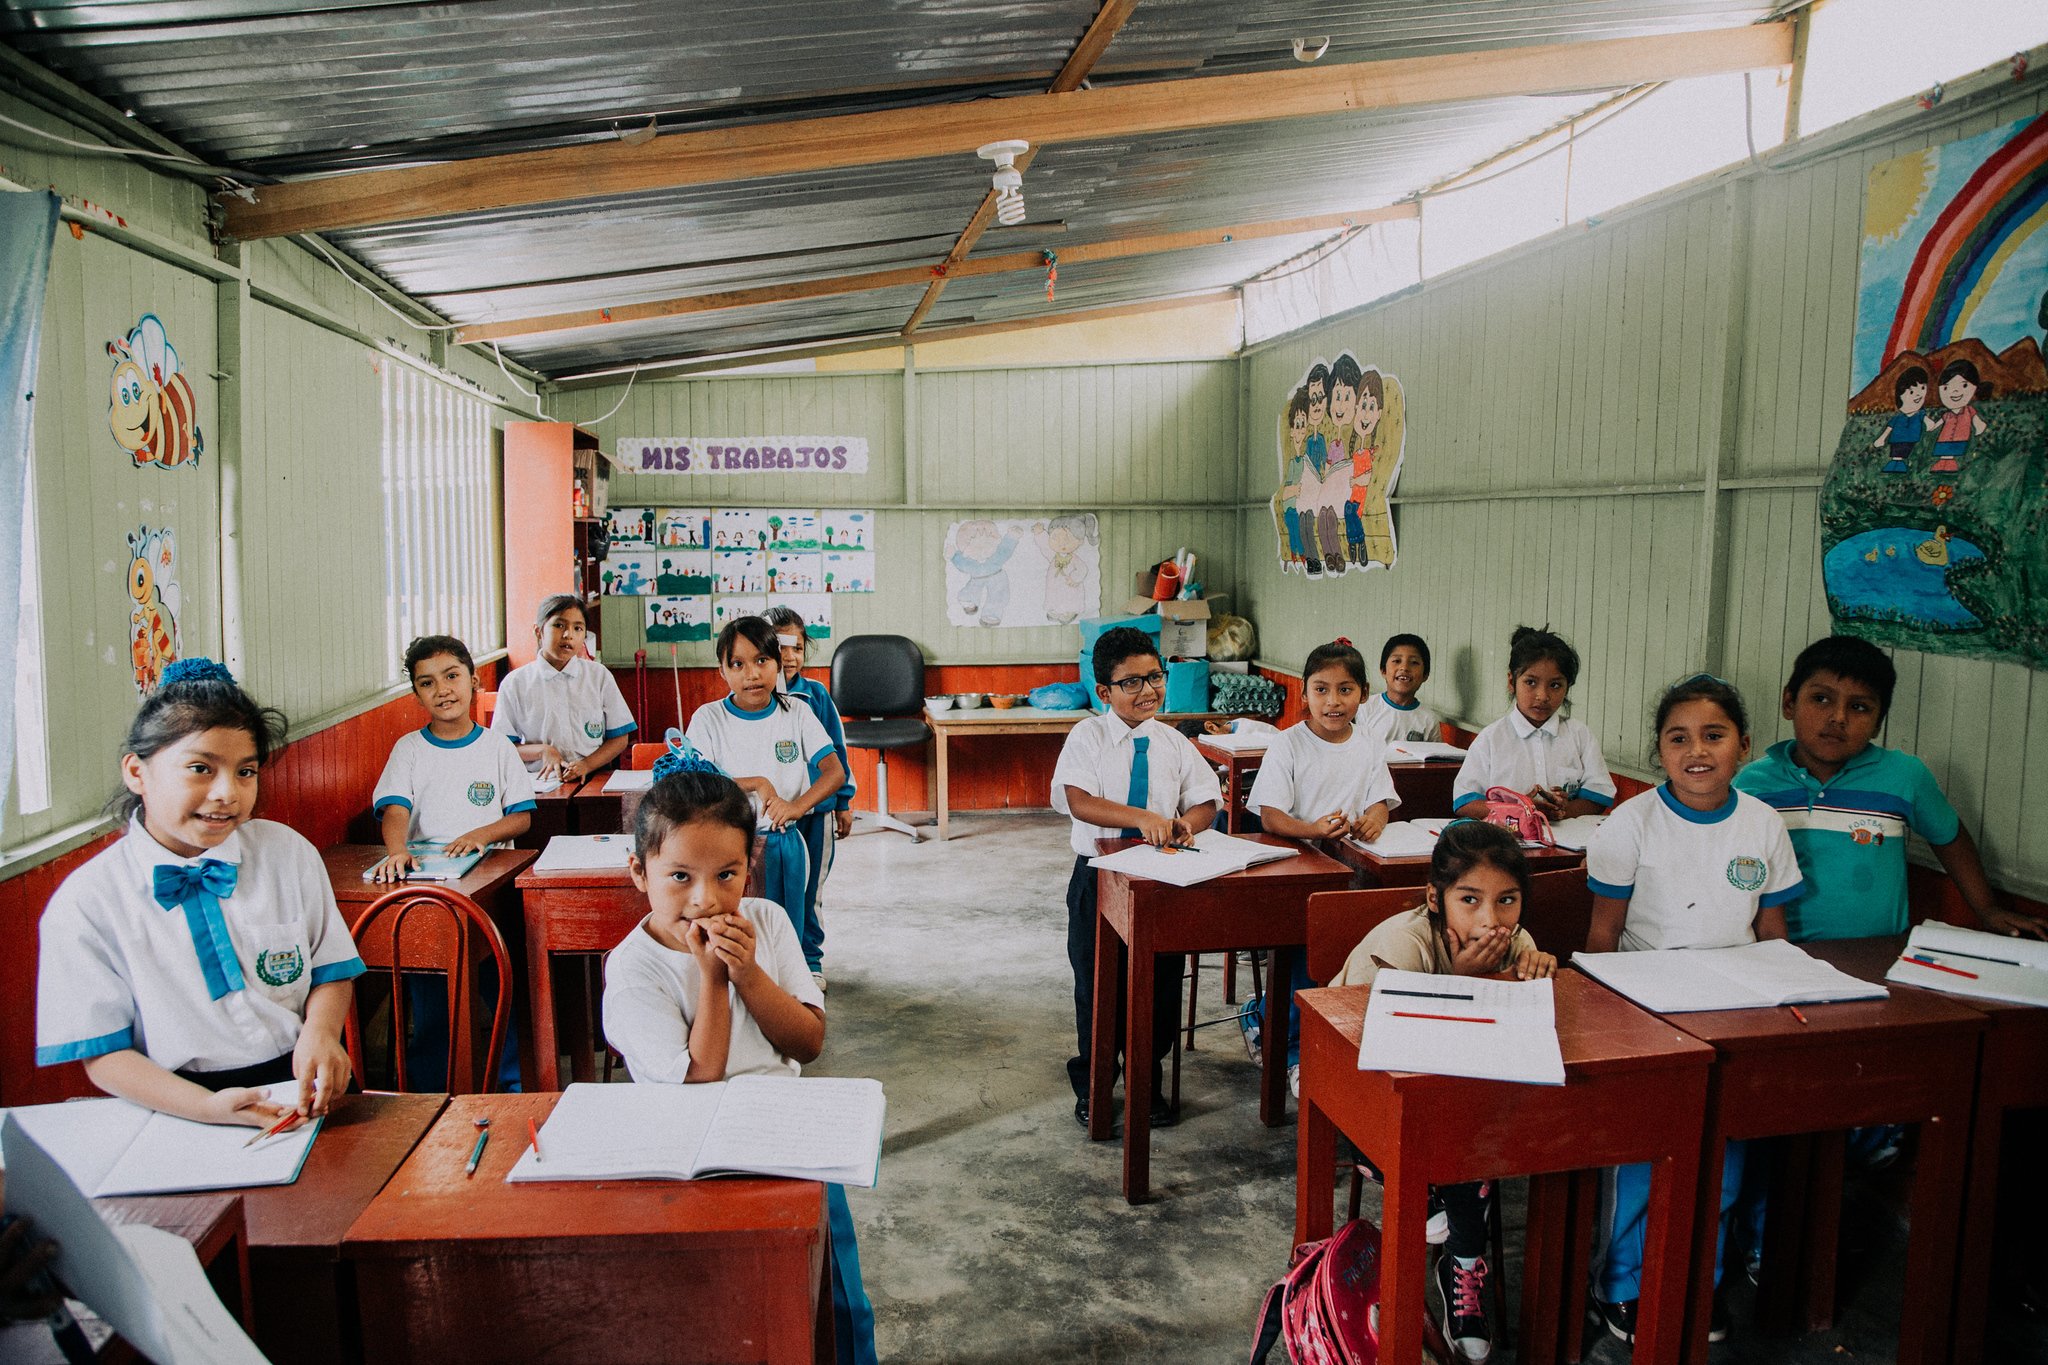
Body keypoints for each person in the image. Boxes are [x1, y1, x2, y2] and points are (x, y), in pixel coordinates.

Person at [600, 760, 876, 1365]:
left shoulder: (770, 923)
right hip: (688, 1155)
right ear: (638, 874)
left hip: (784, 1134)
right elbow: (699, 1079)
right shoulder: (631, 969)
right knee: (723, 1310)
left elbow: (808, 1042)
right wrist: (714, 979)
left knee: (836, 1301)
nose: (705, 899)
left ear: (749, 867)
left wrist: (748, 970)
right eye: (679, 876)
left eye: (726, 874)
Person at [35, 658, 363, 1126]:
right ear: (136, 772)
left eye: (246, 772)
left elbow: (331, 969)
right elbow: (104, 1056)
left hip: (300, 1089)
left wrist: (322, 1033)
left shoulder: (285, 853)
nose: (227, 792)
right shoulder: (88, 902)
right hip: (172, 1107)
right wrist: (205, 1108)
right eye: (200, 769)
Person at [1584, 674, 1803, 1345]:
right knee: (1642, 1159)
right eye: (1678, 738)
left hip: (1735, 1010)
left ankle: (1694, 1284)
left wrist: (1788, 1005)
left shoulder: (1762, 823)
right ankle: (1620, 1286)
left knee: (1726, 1163)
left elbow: (1773, 931)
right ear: (1660, 751)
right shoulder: (1632, 823)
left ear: (1744, 744)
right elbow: (1604, 935)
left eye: (1714, 735)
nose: (1697, 750)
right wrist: (1606, 1024)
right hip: (1646, 1009)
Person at [1328, 821, 1555, 1364]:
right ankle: (1461, 1248)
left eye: (1507, 901)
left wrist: (1538, 971)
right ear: (1435, 897)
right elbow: (1371, 1049)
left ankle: (1462, 1256)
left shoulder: (1514, 940)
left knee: (1465, 1136)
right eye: (1469, 899)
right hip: (1364, 1093)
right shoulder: (1399, 944)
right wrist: (1456, 979)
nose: (1490, 920)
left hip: (1456, 1107)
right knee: (1459, 1141)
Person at [1733, 634, 2045, 942]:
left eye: (1859, 707)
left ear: (1879, 722)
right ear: (1789, 702)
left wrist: (1987, 909)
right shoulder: (1752, 783)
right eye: (1821, 699)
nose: (1838, 718)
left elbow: (1950, 838)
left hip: (1875, 953)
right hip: (1777, 951)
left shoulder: (1904, 776)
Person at [1051, 625, 1220, 1130]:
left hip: (1159, 880)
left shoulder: (1173, 742)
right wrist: (1142, 817)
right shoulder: (1089, 736)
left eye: (1155, 677)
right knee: (1098, 985)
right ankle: (1096, 1083)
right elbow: (1077, 799)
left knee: (1160, 985)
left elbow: (1206, 798)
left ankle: (1147, 1080)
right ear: (1104, 692)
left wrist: (1187, 824)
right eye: (1132, 683)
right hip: (1098, 877)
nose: (1148, 691)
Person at [370, 634, 536, 1088]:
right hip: (432, 889)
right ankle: (429, 1093)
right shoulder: (409, 749)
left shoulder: (497, 746)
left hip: (490, 886)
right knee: (430, 998)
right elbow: (395, 808)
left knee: (505, 990)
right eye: (427, 683)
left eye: (451, 676)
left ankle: (510, 1085)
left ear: (473, 680)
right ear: (415, 694)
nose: (442, 690)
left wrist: (482, 834)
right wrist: (397, 850)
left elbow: (520, 818)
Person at [1244, 639, 1400, 1096]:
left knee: (1343, 961)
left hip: (1352, 871)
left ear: (1364, 694)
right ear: (1304, 693)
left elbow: (1379, 799)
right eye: (1321, 689)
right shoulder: (1288, 744)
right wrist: (1310, 827)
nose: (1333, 702)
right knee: (1302, 965)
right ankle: (1292, 1051)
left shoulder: (1369, 745)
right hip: (1298, 872)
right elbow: (1270, 814)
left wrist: (1375, 816)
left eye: (1345, 690)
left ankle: (1274, 1020)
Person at [686, 616, 846, 989]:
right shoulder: (709, 718)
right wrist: (758, 784)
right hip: (724, 846)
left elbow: (834, 771)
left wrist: (797, 806)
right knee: (732, 931)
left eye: (762, 661)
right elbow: (694, 780)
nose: (752, 674)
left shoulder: (797, 712)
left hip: (784, 843)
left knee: (786, 926)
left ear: (779, 663)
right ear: (722, 670)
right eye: (737, 664)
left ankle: (790, 992)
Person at [763, 605, 855, 986]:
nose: (789, 657)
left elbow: (837, 751)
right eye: (779, 647)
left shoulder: (815, 696)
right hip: (769, 817)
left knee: (809, 890)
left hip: (816, 814)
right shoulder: (754, 696)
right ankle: (773, 960)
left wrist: (844, 803)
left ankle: (809, 960)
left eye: (797, 648)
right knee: (770, 891)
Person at [1452, 626, 1615, 820]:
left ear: (1567, 688)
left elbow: (1598, 796)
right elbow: (1465, 802)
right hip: (1508, 842)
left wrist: (1565, 810)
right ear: (1511, 682)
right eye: (1530, 682)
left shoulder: (1580, 735)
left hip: (1567, 842)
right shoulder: (1490, 739)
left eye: (1555, 685)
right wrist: (1520, 811)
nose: (1543, 696)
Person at [490, 594, 636, 781]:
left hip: (594, 776)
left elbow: (619, 738)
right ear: (538, 631)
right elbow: (502, 745)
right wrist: (543, 751)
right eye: (559, 625)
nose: (568, 635)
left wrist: (586, 765)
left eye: (577, 628)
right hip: (540, 781)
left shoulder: (598, 676)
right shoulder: (516, 683)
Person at [1359, 633, 1442, 744]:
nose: (1404, 668)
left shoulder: (1429, 719)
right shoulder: (1365, 707)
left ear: (1425, 675)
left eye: (1414, 662)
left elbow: (1435, 758)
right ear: (1383, 670)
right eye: (1397, 661)